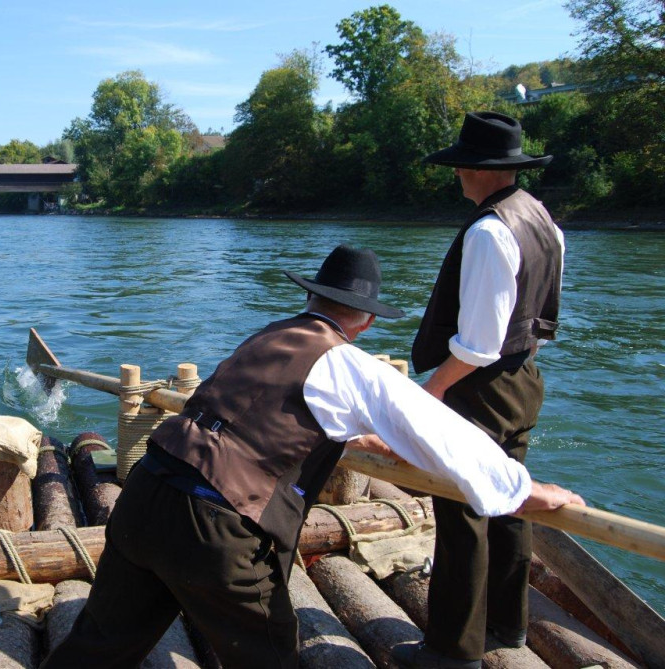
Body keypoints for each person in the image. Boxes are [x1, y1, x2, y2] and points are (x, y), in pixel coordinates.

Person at [42, 244, 582, 669]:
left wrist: (351, 438)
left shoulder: (266, 338)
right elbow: (444, 434)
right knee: (270, 658)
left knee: (98, 648)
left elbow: (255, 417)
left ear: (311, 300)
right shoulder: (349, 363)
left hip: (145, 498)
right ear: (365, 321)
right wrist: (526, 490)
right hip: (214, 528)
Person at [393, 112, 566, 669]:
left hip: (480, 386)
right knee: (509, 500)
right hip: (522, 381)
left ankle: (452, 650)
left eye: (460, 168)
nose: (457, 177)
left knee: (464, 509)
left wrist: (433, 389)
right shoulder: (543, 219)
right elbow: (534, 319)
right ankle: (506, 625)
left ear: (476, 169)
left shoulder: (491, 230)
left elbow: (478, 343)